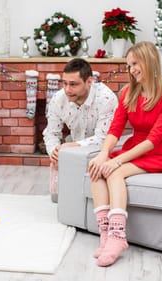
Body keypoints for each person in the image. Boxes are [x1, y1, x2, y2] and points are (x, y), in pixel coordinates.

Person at [87, 41, 162, 267]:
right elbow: (115, 128)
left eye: (135, 64)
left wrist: (117, 160)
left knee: (114, 173)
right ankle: (105, 235)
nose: (131, 70)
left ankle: (118, 236)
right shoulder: (129, 93)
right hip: (134, 147)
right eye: (129, 65)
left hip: (160, 151)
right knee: (97, 168)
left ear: (149, 61)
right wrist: (103, 154)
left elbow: (155, 139)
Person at [43, 58, 118, 202]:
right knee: (58, 200)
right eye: (64, 83)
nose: (67, 90)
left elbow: (103, 139)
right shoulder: (58, 99)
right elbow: (51, 132)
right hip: (72, 152)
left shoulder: (106, 98)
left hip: (102, 153)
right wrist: (54, 152)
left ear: (89, 81)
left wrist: (70, 146)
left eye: (73, 84)